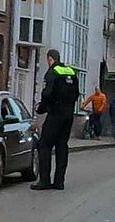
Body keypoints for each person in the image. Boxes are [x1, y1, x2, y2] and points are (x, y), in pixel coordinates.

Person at [31, 48, 79, 191]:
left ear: (50, 59)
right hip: (68, 115)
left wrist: (41, 108)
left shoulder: (52, 72)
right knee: (62, 146)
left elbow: (47, 94)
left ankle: (44, 180)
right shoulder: (71, 72)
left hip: (56, 115)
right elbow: (76, 93)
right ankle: (59, 182)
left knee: (44, 145)